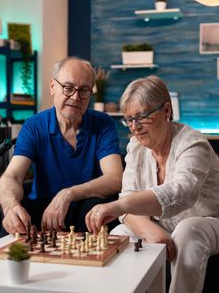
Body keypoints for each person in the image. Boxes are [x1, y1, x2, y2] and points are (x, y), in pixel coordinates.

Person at [85, 75, 219, 293]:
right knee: (119, 232)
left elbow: (182, 192)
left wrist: (120, 206)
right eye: (128, 119)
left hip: (211, 221)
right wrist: (149, 230)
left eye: (141, 117)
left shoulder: (193, 143)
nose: (134, 127)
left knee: (187, 230)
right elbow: (127, 203)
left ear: (166, 111)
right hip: (164, 225)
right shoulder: (135, 147)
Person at [0, 57, 123, 235]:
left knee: (97, 211)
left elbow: (115, 179)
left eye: (84, 90)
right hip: (44, 208)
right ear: (52, 86)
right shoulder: (34, 126)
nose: (76, 97)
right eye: (68, 88)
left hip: (86, 208)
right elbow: (12, 177)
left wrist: (68, 194)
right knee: (13, 217)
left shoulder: (103, 124)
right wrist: (10, 207)